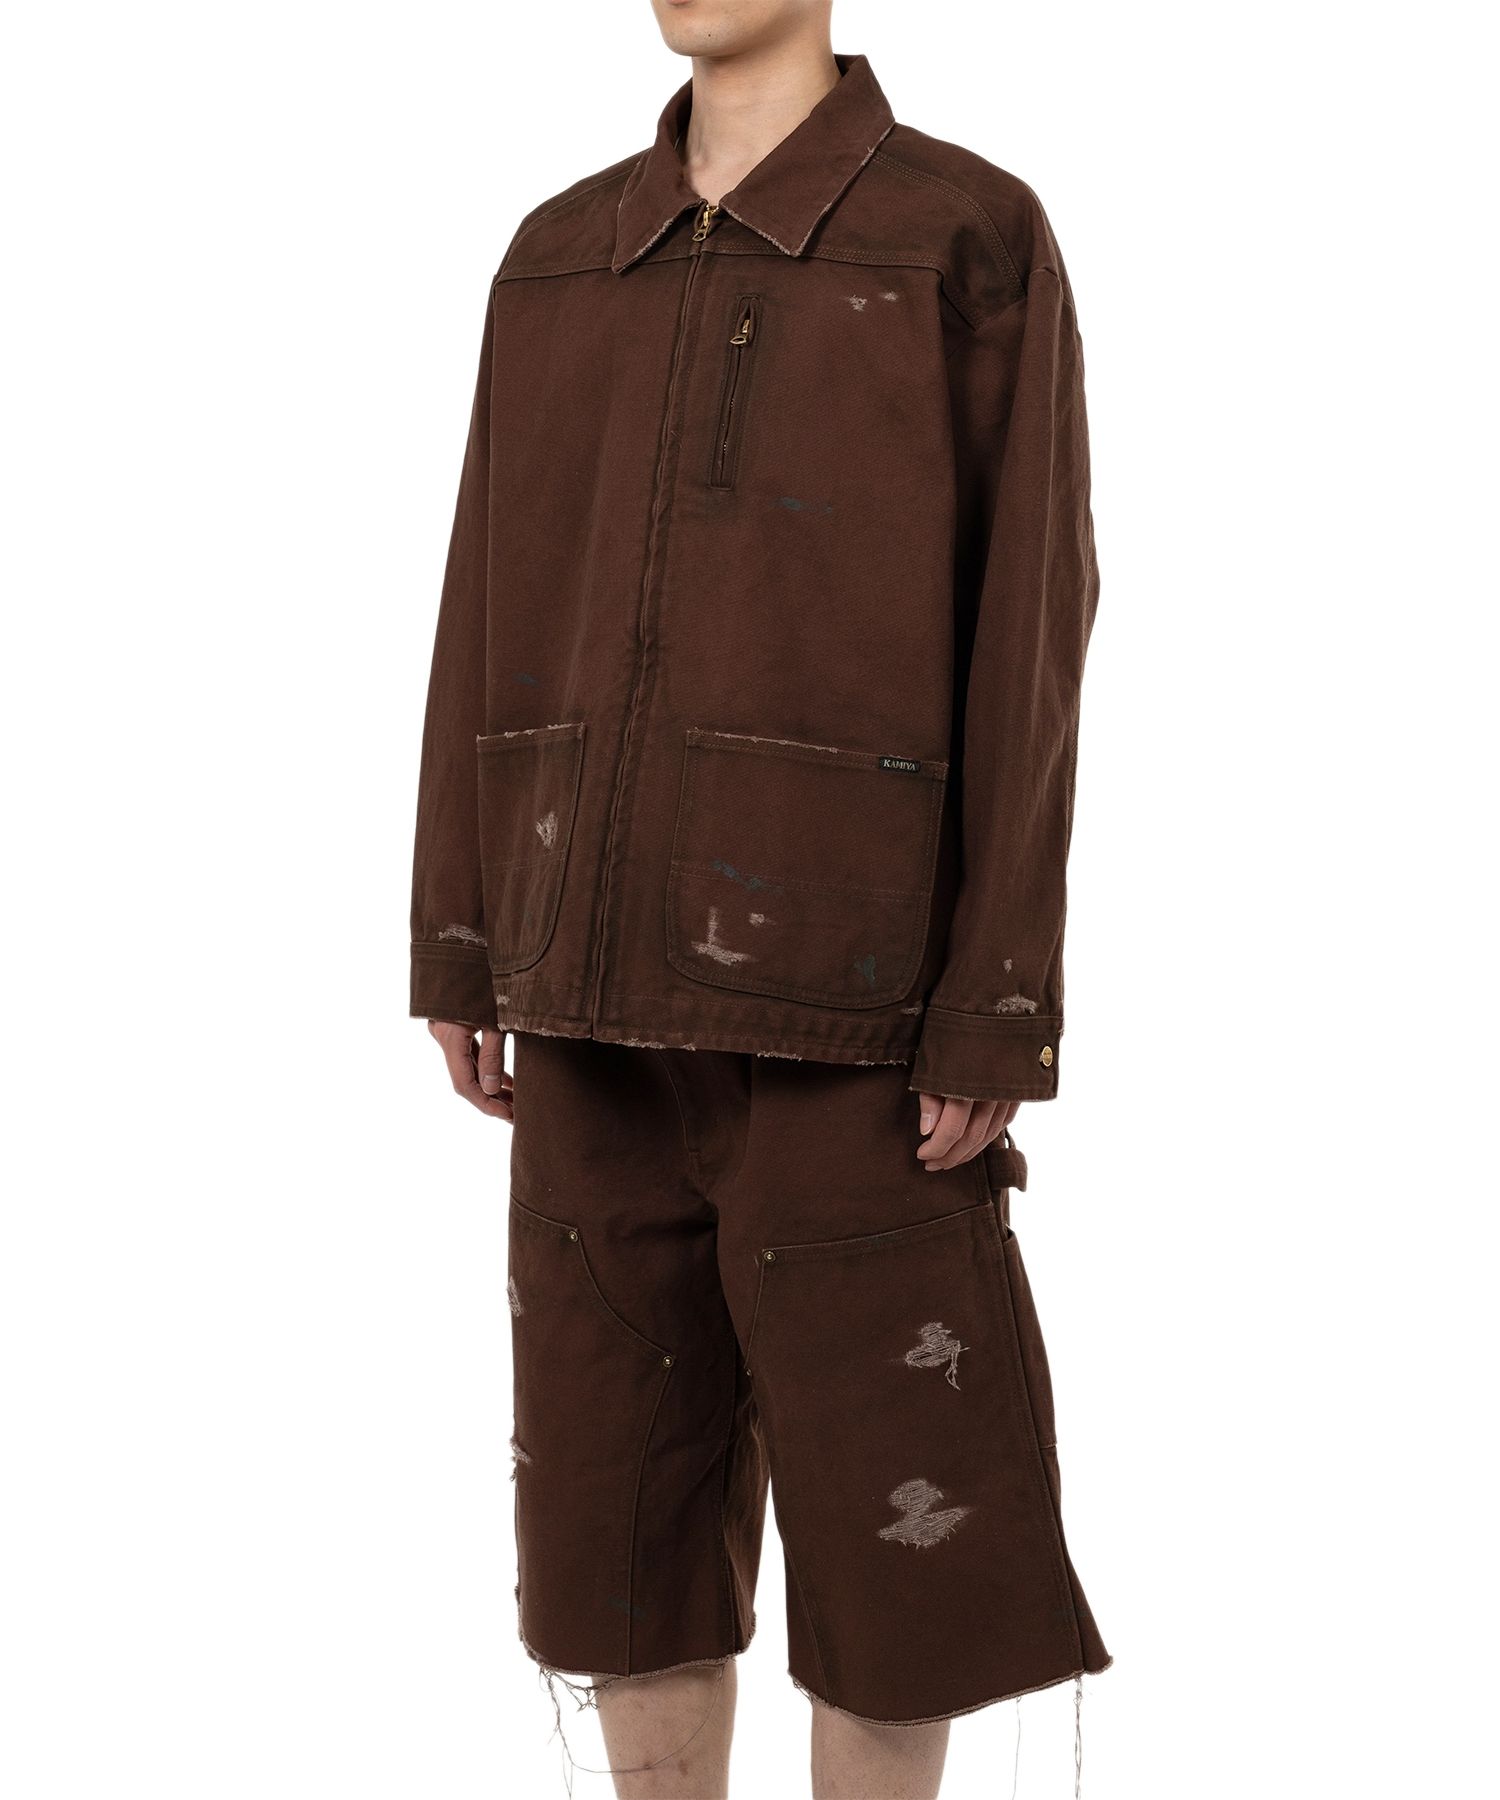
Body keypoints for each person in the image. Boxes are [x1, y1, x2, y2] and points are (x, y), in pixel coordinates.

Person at [410, 2, 1108, 1793]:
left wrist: (995, 1001)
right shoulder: (559, 253)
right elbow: (484, 594)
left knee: (900, 1554)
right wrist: (460, 931)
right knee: (615, 1544)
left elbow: (1032, 628)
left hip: (857, 1009)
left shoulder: (965, 234)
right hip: (583, 998)